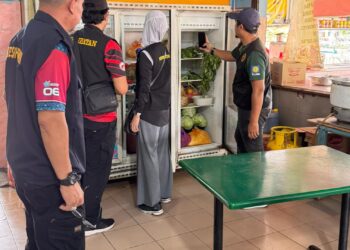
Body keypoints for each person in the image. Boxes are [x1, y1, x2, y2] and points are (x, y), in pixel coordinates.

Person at [5, 0, 86, 249]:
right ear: (72, 4)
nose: (82, 9)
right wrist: (67, 180)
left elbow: (15, 102)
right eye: (82, 3)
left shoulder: (20, 39)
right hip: (49, 178)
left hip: (25, 168)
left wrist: (13, 161)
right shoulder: (54, 46)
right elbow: (50, 120)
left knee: (39, 240)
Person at [73, 0, 128, 235]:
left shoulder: (71, 39)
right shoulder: (109, 45)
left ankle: (77, 212)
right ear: (105, 15)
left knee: (80, 167)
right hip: (100, 119)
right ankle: (91, 221)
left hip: (75, 116)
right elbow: (122, 88)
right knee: (97, 170)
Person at [202, 8, 272, 153]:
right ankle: (243, 175)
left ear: (241, 27)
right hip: (246, 106)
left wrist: (254, 121)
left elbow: (258, 90)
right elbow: (231, 56)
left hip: (254, 109)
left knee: (252, 148)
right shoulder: (245, 46)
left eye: (235, 23)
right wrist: (212, 50)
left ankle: (255, 175)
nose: (234, 26)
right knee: (241, 139)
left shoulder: (255, 55)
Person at [130, 11, 172, 216]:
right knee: (162, 153)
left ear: (149, 26)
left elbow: (143, 88)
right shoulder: (165, 50)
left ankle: (152, 203)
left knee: (149, 155)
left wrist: (137, 114)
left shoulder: (145, 54)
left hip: (150, 112)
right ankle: (164, 193)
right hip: (165, 111)